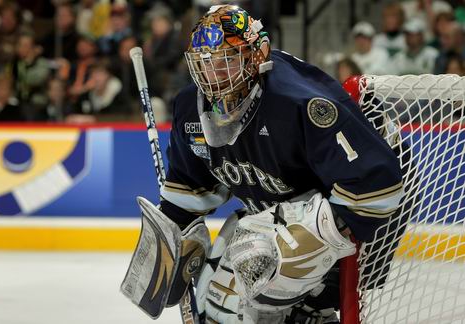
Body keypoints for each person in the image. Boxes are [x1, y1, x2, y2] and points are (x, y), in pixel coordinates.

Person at [126, 5, 403, 324]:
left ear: (257, 56)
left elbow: (375, 190)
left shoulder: (300, 102)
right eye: (204, 64)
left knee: (245, 295)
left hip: (367, 200)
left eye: (226, 61)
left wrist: (307, 251)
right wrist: (174, 244)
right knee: (212, 302)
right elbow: (187, 194)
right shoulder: (192, 107)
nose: (214, 75)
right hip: (285, 210)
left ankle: (306, 308)